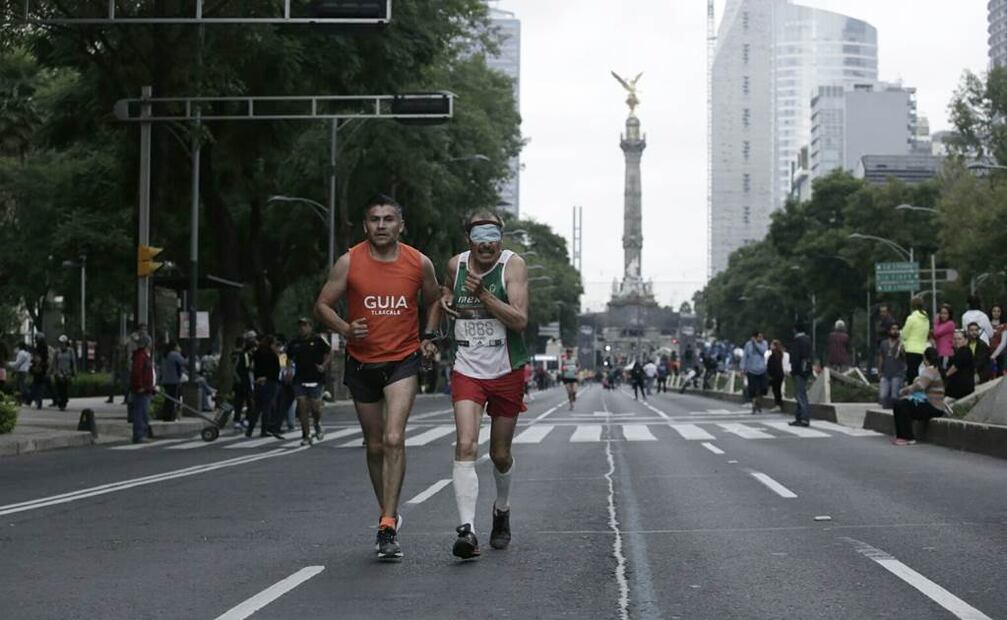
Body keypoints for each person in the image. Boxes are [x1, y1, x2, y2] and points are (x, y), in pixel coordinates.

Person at [314, 195, 442, 561]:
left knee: (393, 437)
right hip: (361, 362)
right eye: (374, 219)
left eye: (388, 219)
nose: (381, 225)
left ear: (401, 225)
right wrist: (344, 328)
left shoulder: (419, 262)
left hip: (402, 360)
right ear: (365, 225)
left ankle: (387, 523)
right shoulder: (349, 261)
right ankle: (387, 508)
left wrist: (428, 337)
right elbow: (322, 304)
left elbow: (434, 299)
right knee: (373, 446)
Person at [439, 210, 529, 560]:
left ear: (501, 238)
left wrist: (486, 296)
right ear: (468, 240)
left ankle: (501, 510)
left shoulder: (513, 266)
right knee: (465, 444)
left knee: (500, 454)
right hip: (467, 368)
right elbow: (445, 291)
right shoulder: (455, 265)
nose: (487, 243)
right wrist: (445, 300)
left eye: (493, 235)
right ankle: (467, 531)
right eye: (479, 236)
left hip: (506, 369)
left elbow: (520, 320)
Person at [287, 318, 331, 446]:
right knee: (302, 406)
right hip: (300, 378)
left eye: (305, 325)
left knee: (315, 408)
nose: (302, 328)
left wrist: (324, 365)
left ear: (310, 327)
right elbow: (288, 358)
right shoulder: (294, 342)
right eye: (300, 326)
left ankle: (317, 423)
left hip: (316, 378)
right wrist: (289, 369)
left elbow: (329, 353)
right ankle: (306, 435)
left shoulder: (318, 340)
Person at [891, 347, 947, 445]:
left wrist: (904, 391)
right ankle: (903, 435)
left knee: (901, 404)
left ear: (925, 359)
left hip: (933, 406)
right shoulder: (936, 369)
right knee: (903, 404)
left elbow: (920, 386)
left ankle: (907, 437)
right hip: (933, 405)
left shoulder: (931, 370)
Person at [246, 335, 283, 440]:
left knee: (257, 407)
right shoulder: (273, 356)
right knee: (267, 407)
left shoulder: (257, 354)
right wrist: (266, 377)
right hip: (270, 382)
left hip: (258, 382)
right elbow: (276, 371)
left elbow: (253, 367)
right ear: (271, 344)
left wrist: (258, 378)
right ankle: (264, 430)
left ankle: (250, 430)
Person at [128, 335, 155, 444]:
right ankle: (139, 435)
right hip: (142, 389)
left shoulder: (144, 356)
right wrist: (139, 386)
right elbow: (137, 372)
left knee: (144, 412)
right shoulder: (141, 357)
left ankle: (142, 433)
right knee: (140, 412)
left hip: (146, 389)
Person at [232, 332, 257, 430]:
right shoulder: (244, 355)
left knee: (243, 401)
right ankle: (240, 420)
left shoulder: (246, 355)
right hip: (243, 382)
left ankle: (242, 420)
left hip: (244, 381)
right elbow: (240, 368)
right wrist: (237, 378)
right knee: (243, 402)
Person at [877, 324, 906, 409]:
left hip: (897, 374)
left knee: (894, 396)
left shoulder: (901, 344)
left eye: (897, 329)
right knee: (883, 396)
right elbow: (881, 357)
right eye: (893, 329)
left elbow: (904, 358)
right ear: (889, 331)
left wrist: (902, 350)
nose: (895, 331)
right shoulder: (884, 343)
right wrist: (879, 370)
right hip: (885, 373)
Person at [789, 322, 813, 427]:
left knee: (800, 395)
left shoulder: (798, 341)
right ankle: (799, 417)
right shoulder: (808, 339)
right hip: (806, 370)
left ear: (795, 329)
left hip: (799, 370)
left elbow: (796, 358)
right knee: (800, 394)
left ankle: (804, 418)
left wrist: (794, 370)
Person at [901, 297, 930, 383]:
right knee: (919, 373)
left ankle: (912, 393)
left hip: (911, 349)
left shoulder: (911, 318)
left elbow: (904, 335)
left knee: (911, 374)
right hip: (922, 349)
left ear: (912, 306)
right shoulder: (926, 318)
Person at [741, 331, 768, 414]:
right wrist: (743, 368)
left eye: (761, 336)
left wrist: (755, 343)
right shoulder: (748, 345)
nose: (760, 338)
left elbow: (763, 352)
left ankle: (758, 403)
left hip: (762, 370)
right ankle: (754, 405)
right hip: (751, 370)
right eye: (758, 336)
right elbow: (745, 356)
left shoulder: (764, 343)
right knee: (752, 389)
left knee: (762, 389)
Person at [159, 341, 187, 421]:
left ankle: (166, 415)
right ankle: (171, 416)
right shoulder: (175, 354)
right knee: (173, 399)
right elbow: (183, 362)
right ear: (175, 347)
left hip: (165, 379)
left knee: (168, 399)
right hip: (173, 380)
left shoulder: (165, 355)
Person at [945, 330, 975, 400]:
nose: (956, 341)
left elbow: (955, 366)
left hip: (961, 389)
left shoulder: (964, 350)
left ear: (966, 340)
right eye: (954, 339)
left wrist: (944, 375)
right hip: (961, 387)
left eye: (959, 339)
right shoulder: (957, 351)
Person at [51, 336, 77, 411]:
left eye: (63, 343)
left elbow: (73, 362)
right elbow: (54, 362)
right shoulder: (57, 351)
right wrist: (54, 372)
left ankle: (64, 401)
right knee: (59, 388)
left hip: (67, 373)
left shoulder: (70, 351)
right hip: (59, 373)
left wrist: (74, 373)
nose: (62, 344)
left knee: (65, 388)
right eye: (60, 343)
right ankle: (60, 402)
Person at [765, 339, 789, 412]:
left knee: (776, 391)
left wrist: (771, 375)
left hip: (775, 376)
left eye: (772, 345)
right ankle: (778, 404)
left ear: (775, 346)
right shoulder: (779, 354)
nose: (770, 346)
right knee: (777, 390)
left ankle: (778, 405)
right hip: (778, 375)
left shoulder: (775, 355)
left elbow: (775, 366)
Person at [933, 304, 956, 374]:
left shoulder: (950, 324)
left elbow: (936, 333)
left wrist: (935, 322)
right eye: (941, 313)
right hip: (939, 353)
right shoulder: (940, 324)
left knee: (944, 373)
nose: (943, 315)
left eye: (945, 313)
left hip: (946, 354)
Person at [989, 304, 1006, 376]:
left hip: (1000, 354)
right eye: (994, 311)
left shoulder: (1004, 325)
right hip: (988, 353)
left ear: (1001, 313)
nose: (996, 313)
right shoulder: (987, 324)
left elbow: (1003, 342)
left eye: (998, 311)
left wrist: (994, 356)